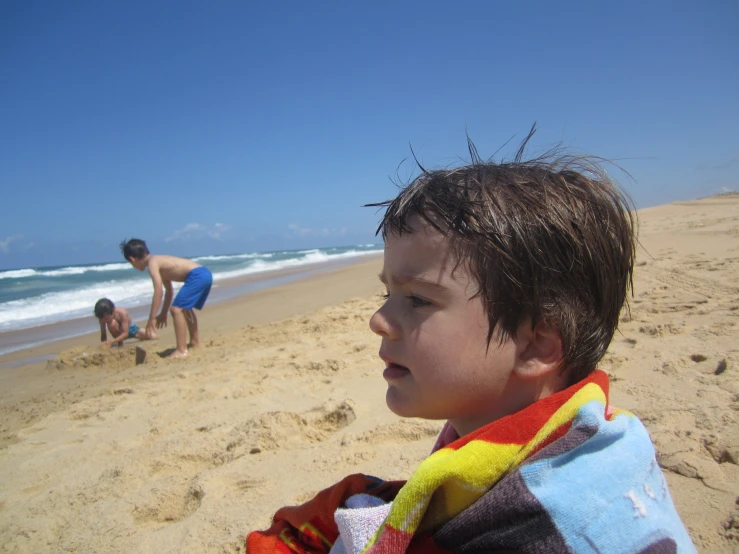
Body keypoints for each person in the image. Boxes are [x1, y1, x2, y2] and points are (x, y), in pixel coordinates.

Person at [246, 129, 695, 553]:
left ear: (536, 344)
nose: (378, 321)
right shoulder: (544, 432)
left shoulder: (540, 520)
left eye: (418, 299)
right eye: (388, 294)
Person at [120, 238, 212, 359]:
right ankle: (195, 342)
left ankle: (181, 350)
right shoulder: (158, 261)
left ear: (132, 259)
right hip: (204, 273)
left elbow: (158, 291)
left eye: (131, 263)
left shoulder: (152, 264)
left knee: (176, 310)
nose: (133, 266)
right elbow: (169, 291)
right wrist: (163, 313)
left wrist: (152, 318)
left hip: (197, 275)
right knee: (184, 308)